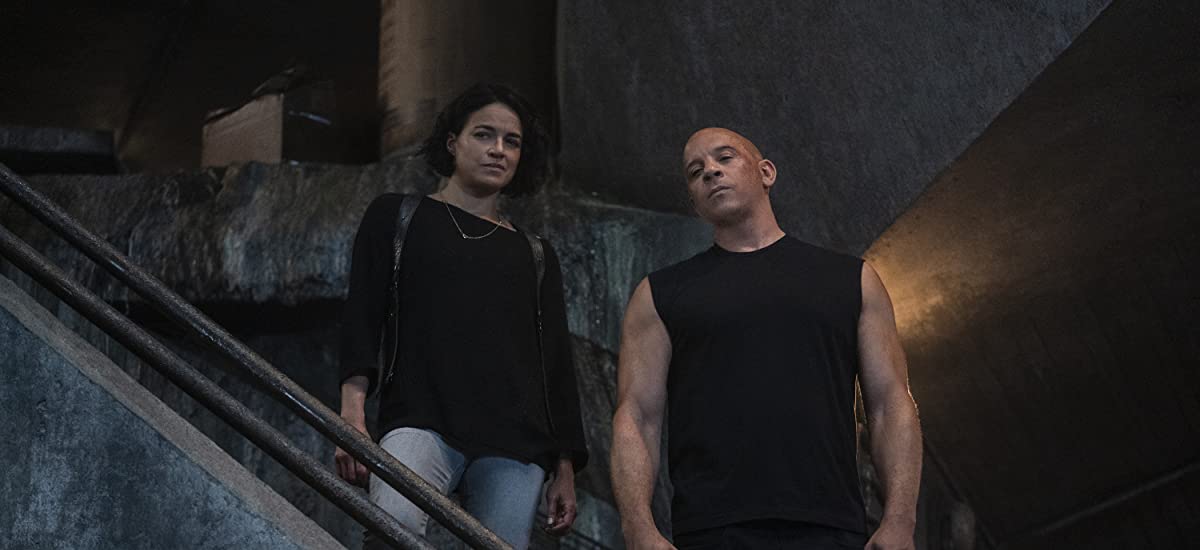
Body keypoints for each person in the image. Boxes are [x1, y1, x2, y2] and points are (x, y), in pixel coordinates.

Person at [610, 127, 922, 550]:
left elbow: (889, 402)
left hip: (829, 524)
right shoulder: (658, 294)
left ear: (766, 172)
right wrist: (637, 528)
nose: (710, 172)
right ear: (694, 201)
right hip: (712, 529)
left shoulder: (852, 279)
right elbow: (637, 415)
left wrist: (900, 520)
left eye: (725, 157)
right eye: (695, 171)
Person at [335, 83, 588, 549]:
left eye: (512, 141)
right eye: (484, 134)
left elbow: (553, 364)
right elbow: (361, 318)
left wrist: (565, 467)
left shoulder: (535, 253)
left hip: (515, 442)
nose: (498, 150)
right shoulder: (398, 216)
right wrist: (351, 415)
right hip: (421, 417)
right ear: (453, 142)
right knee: (392, 526)